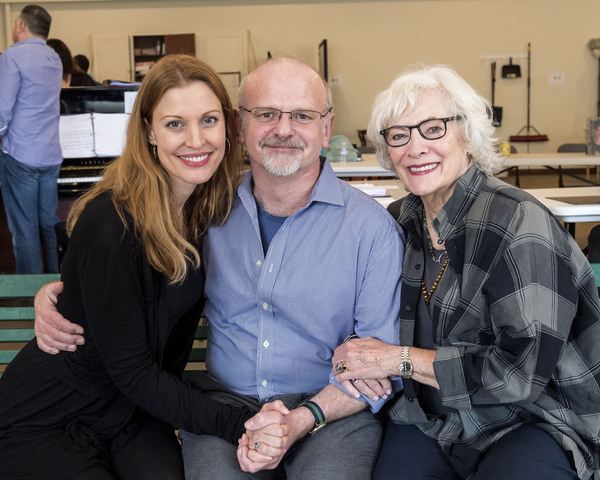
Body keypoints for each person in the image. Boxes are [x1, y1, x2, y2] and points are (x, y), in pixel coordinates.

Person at [34, 56, 405, 479]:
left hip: (329, 412)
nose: (283, 129)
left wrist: (301, 419)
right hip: (221, 406)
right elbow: (117, 271)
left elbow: (378, 367)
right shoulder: (204, 210)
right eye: (266, 114)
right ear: (240, 126)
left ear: (325, 128)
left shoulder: (371, 230)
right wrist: (55, 296)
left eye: (302, 115)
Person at [0, 54, 263, 480]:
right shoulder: (112, 223)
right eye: (175, 123)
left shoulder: (209, 207)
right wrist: (239, 424)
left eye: (209, 120)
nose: (196, 140)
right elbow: (133, 369)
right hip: (51, 414)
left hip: (131, 411)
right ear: (149, 131)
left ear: (229, 126)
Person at [331, 65, 600, 480]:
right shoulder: (400, 220)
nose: (415, 148)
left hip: (528, 420)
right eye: (399, 135)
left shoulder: (518, 221)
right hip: (431, 419)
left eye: (433, 128)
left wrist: (396, 360)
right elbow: (361, 315)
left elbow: (519, 375)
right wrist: (357, 349)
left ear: (469, 137)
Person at [0, 4, 63, 273]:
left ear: (21, 25)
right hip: (50, 156)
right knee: (49, 223)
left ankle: (31, 296)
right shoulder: (54, 58)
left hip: (21, 155)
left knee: (24, 230)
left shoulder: (11, 57)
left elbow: (2, 110)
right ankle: (57, 284)